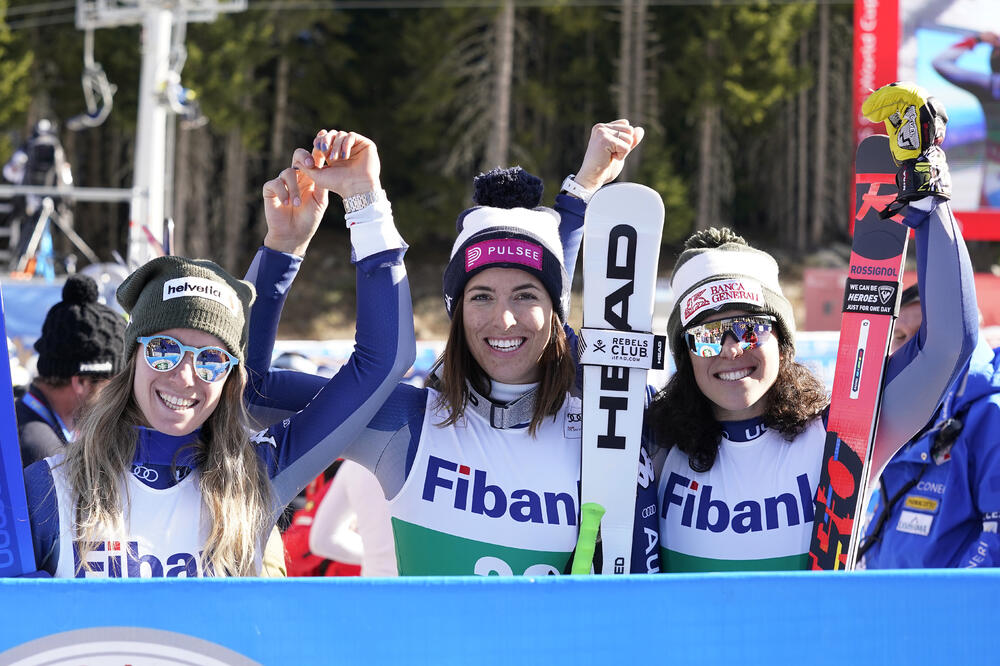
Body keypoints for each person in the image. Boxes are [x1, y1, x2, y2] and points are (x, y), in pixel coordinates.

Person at [246, 121, 662, 575]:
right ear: (455, 312)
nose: (503, 319)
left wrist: (580, 196)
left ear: (554, 311)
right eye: (481, 297)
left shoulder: (603, 423)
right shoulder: (405, 424)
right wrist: (285, 249)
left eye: (526, 296)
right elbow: (248, 392)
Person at [21, 139, 414, 577]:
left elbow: (382, 363)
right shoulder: (49, 487)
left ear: (230, 377)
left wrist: (362, 202)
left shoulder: (258, 475)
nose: (186, 376)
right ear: (132, 357)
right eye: (165, 350)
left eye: (210, 359)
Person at [647, 82, 980, 572]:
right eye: (706, 335)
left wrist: (930, 199)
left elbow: (950, 345)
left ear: (782, 341)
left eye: (748, 328)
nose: (731, 350)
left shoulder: (843, 432)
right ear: (685, 353)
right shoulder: (653, 442)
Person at [859, 284, 1000, 568]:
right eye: (900, 337)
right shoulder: (893, 411)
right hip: (884, 605)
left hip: (945, 608)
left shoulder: (990, 414)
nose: (912, 350)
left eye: (924, 335)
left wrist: (944, 603)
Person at [16, 274, 124, 467]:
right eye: (114, 383)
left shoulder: (35, 422)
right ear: (81, 382)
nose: (120, 394)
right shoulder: (42, 452)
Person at [932, 31, 1000, 207]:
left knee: (988, 228)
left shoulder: (990, 85)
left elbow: (940, 62)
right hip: (994, 175)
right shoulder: (991, 84)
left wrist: (976, 40)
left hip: (994, 173)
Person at [310, 459, 397, 577]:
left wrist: (376, 554)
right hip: (421, 588)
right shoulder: (426, 460)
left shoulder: (354, 465)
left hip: (373, 585)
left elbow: (320, 541)